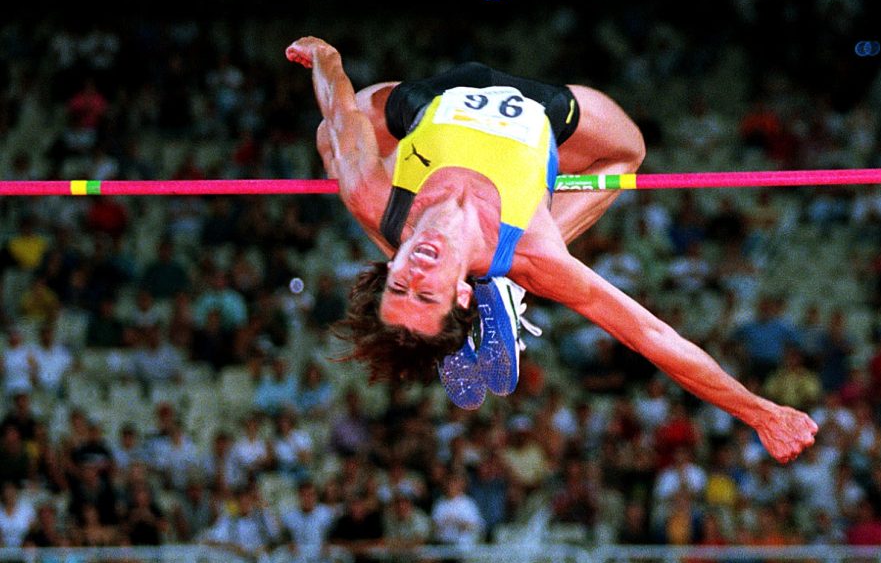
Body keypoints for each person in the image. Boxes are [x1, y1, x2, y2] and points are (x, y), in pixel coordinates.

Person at [287, 36, 817, 464]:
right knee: (627, 153)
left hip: (425, 102)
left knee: (331, 141)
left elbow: (339, 108)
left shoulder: (372, 195)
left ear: (390, 268)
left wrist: (326, 57)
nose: (417, 275)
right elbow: (652, 337)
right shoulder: (535, 253)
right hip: (538, 109)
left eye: (401, 286)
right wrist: (759, 413)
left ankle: (495, 284)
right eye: (427, 296)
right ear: (459, 296)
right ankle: (502, 281)